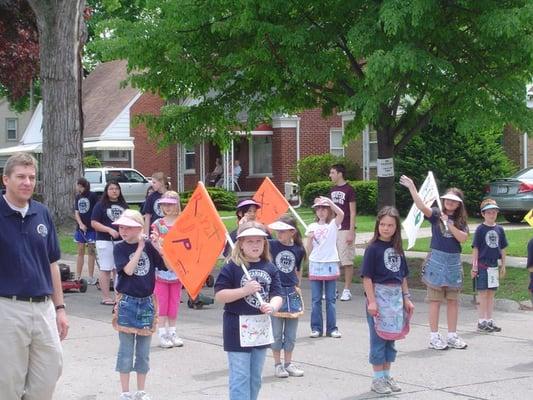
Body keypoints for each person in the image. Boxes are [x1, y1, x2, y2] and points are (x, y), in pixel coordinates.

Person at [0, 152, 68, 400]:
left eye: (32, 177)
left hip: (44, 309)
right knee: (8, 382)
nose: (27, 182)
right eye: (20, 177)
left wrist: (60, 308)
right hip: (7, 309)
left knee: (50, 372)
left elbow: (52, 263)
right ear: (5, 180)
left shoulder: (42, 213)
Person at [214, 221, 283, 400]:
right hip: (237, 327)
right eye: (250, 241)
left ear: (265, 243)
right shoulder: (232, 267)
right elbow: (220, 295)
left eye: (258, 241)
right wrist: (244, 290)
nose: (255, 245)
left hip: (260, 327)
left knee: (255, 379)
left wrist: (273, 306)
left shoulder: (270, 267)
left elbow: (277, 294)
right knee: (240, 377)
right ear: (241, 244)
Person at [400, 175, 469, 350]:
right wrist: (412, 188)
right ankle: (434, 336)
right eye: (447, 200)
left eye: (454, 201)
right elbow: (422, 206)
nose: (450, 203)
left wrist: (450, 224)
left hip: (453, 262)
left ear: (459, 204)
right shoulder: (436, 214)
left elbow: (462, 238)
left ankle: (452, 335)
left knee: (453, 300)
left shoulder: (461, 221)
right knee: (435, 300)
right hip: (437, 261)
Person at [361, 206, 415, 395]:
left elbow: (403, 277)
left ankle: (386, 375)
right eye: (382, 224)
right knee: (378, 340)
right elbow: (367, 277)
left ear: (396, 227)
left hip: (395, 302)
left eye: (390, 225)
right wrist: (372, 302)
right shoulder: (372, 249)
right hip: (379, 299)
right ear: (378, 225)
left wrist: (407, 298)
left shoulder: (398, 249)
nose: (386, 228)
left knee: (391, 340)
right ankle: (377, 379)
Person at [112, 209, 163, 400]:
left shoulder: (150, 246)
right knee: (126, 351)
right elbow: (129, 270)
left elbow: (168, 265)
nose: (123, 231)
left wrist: (157, 246)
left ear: (139, 228)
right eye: (121, 227)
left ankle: (141, 390)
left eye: (129, 227)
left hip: (147, 302)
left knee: (143, 352)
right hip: (127, 302)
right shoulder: (119, 248)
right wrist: (140, 248)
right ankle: (125, 392)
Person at [268, 215, 306, 378]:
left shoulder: (299, 249)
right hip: (276, 292)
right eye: (277, 231)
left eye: (283, 231)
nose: (279, 234)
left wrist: (298, 285)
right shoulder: (271, 245)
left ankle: (288, 363)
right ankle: (277, 364)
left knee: (290, 333)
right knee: (276, 332)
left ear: (292, 232)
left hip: (292, 292)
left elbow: (298, 270)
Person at [305, 196, 344, 338]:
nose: (321, 212)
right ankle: (316, 328)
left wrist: (330, 202)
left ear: (328, 211)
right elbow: (309, 249)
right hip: (315, 263)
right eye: (318, 209)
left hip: (330, 263)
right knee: (315, 299)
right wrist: (309, 239)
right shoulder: (311, 227)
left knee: (330, 299)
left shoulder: (333, 224)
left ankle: (332, 328)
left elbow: (341, 214)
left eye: (324, 209)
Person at [151, 191, 184, 348]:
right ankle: (162, 333)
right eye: (164, 204)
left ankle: (172, 331)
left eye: (170, 204)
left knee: (174, 302)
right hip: (162, 266)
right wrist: (157, 244)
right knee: (162, 301)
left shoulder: (183, 222)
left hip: (179, 267)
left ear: (177, 204)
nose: (167, 207)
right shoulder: (158, 224)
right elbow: (154, 240)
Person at [471, 199, 507, 332]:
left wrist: (503, 264)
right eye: (489, 212)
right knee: (483, 293)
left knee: (491, 293)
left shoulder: (500, 229)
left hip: (493, 265)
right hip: (482, 264)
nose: (492, 215)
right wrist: (474, 267)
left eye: (494, 212)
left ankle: (490, 319)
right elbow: (475, 249)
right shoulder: (480, 229)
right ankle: (482, 321)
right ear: (483, 214)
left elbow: (503, 247)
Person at [91, 180, 129, 305]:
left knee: (118, 269)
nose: (114, 191)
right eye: (111, 189)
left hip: (121, 241)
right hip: (105, 240)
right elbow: (94, 223)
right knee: (106, 268)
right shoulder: (100, 205)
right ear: (106, 191)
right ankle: (106, 297)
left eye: (116, 189)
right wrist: (108, 230)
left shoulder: (124, 205)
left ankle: (119, 296)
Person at [329, 164, 357, 301]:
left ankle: (347, 289)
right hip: (335, 228)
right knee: (334, 259)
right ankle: (333, 288)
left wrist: (351, 231)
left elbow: (352, 212)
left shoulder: (349, 189)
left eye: (333, 172)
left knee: (346, 260)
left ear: (340, 174)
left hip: (346, 228)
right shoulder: (333, 189)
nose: (330, 175)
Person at [73, 177, 98, 284]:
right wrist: (81, 224)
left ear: (80, 185)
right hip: (81, 228)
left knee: (91, 252)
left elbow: (96, 210)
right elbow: (77, 212)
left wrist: (92, 223)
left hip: (91, 228)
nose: (76, 187)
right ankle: (78, 275)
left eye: (77, 185)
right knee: (80, 251)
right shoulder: (78, 197)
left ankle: (91, 276)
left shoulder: (92, 195)